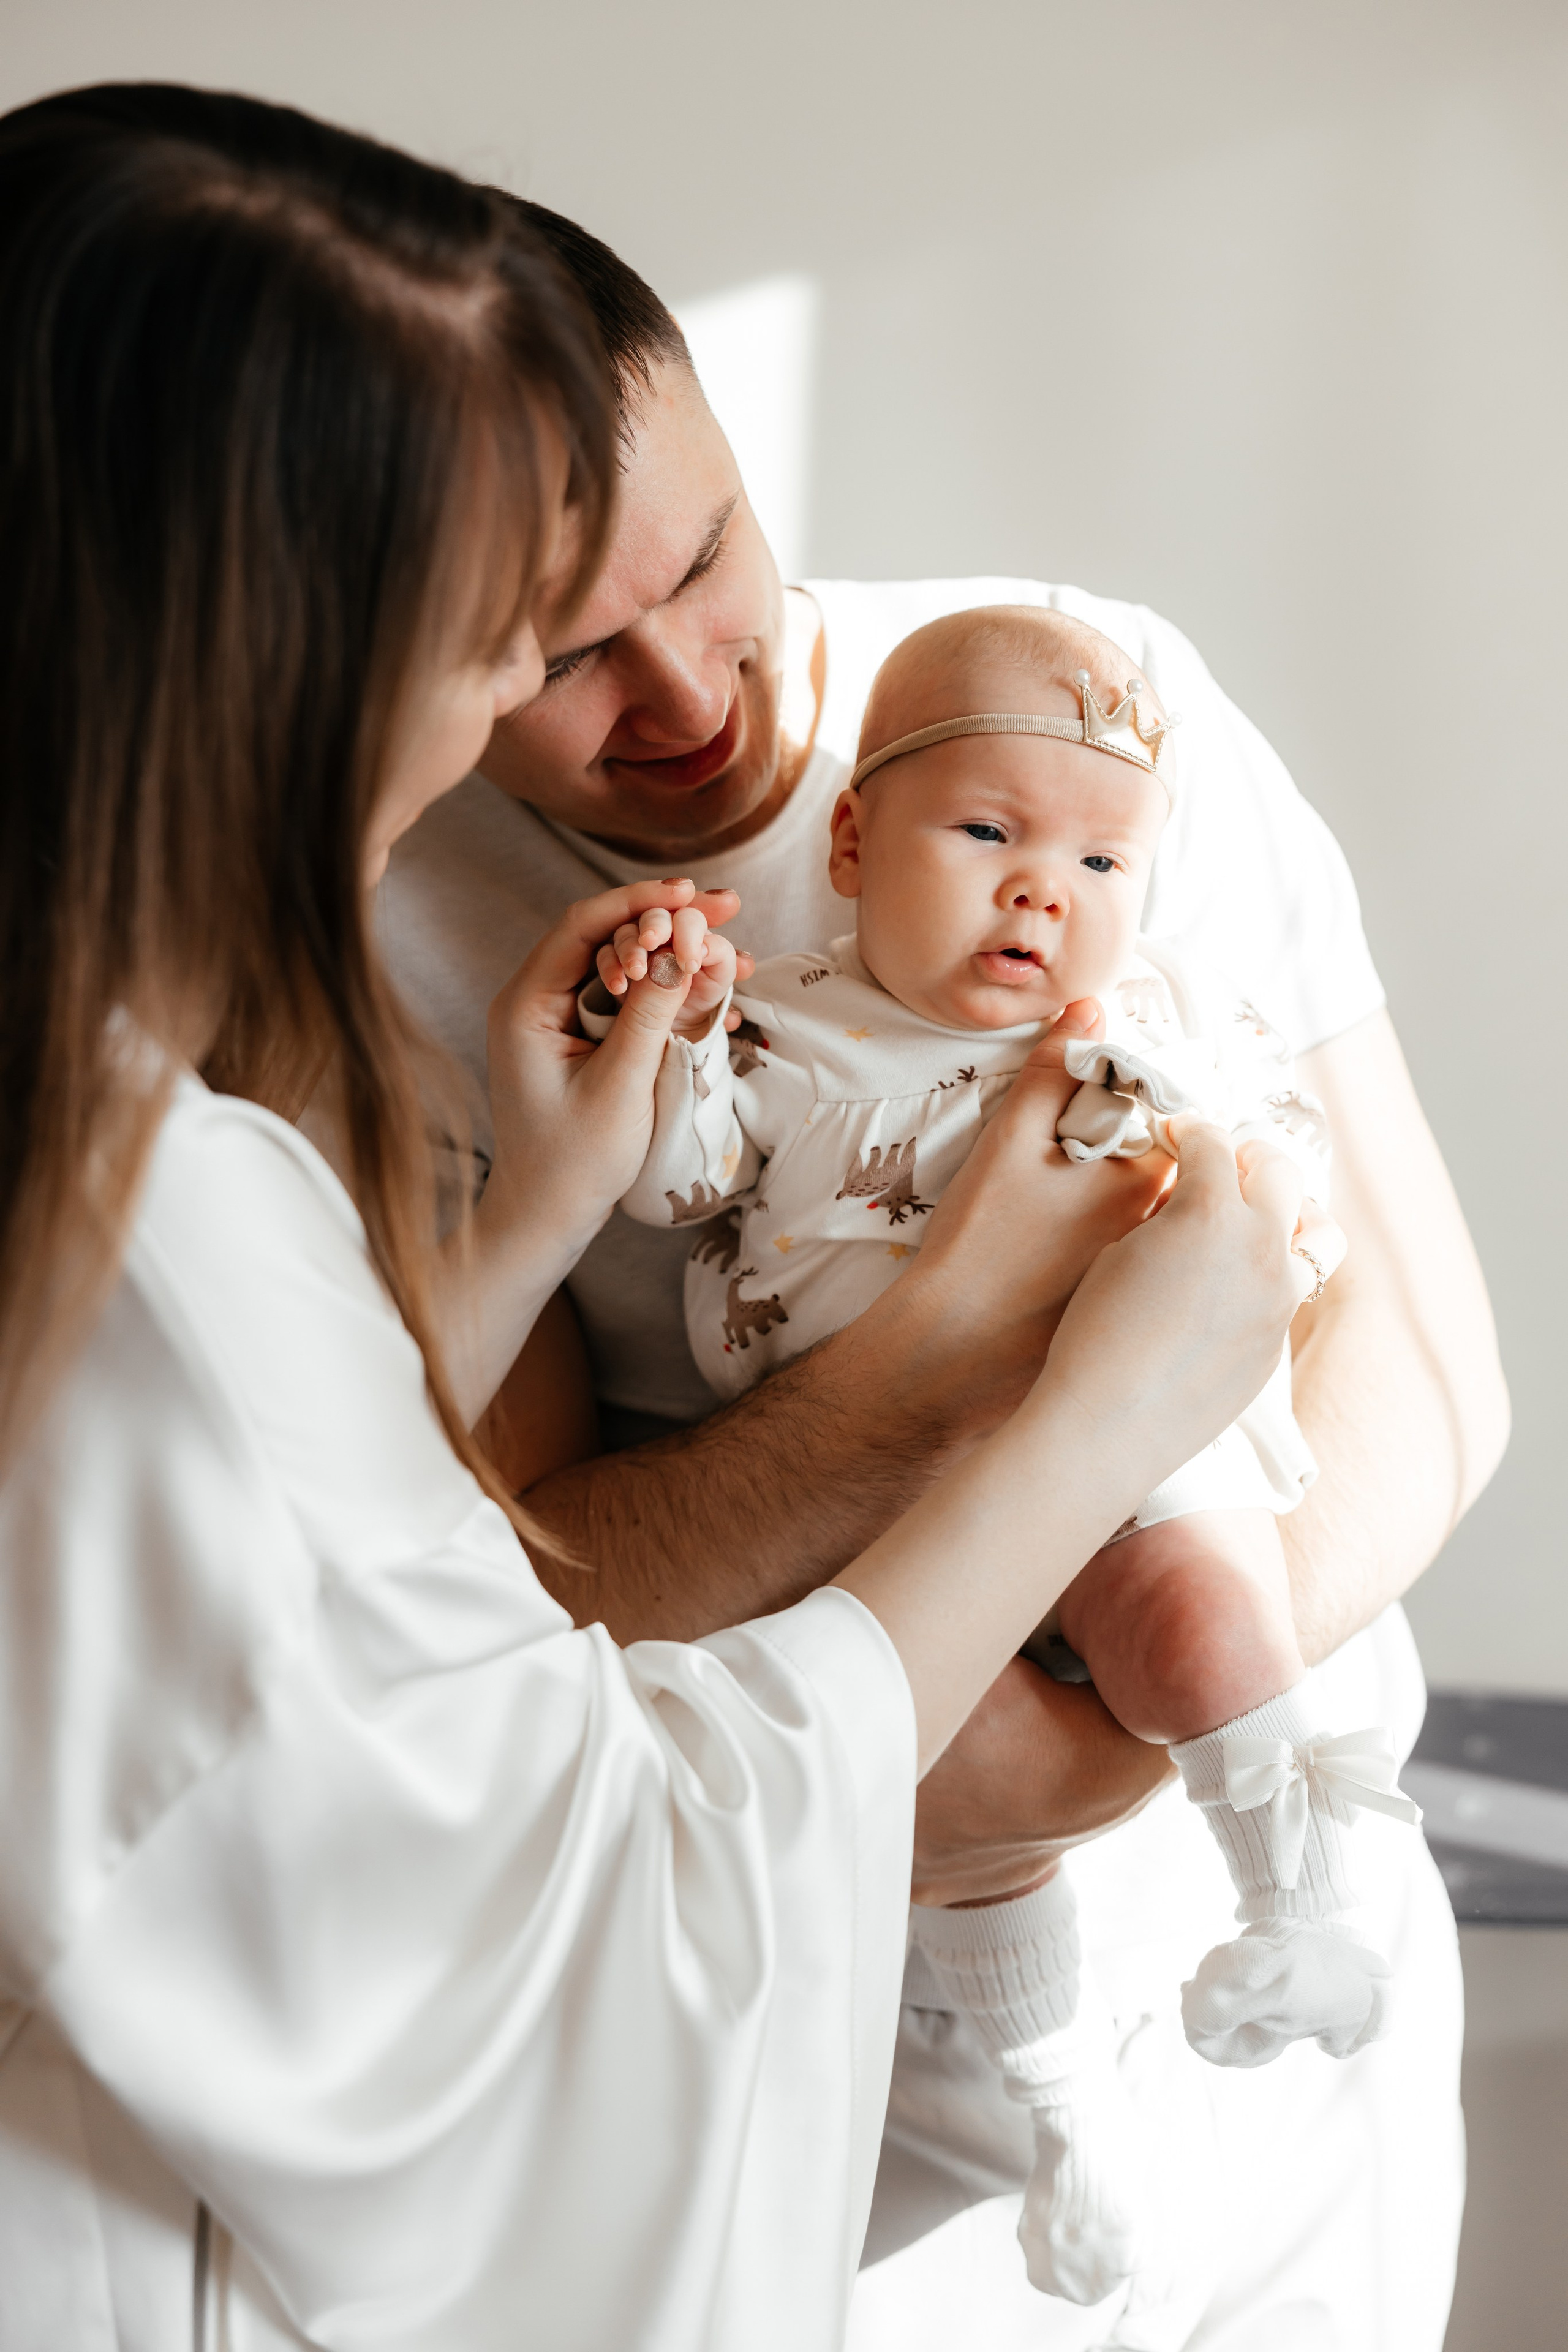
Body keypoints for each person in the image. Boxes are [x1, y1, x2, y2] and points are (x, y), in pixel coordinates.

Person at [0, 80, 1316, 2352]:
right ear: (269, 653)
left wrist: (533, 1216)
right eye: (503, 629)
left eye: (688, 562)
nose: (594, 693)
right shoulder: (144, 1214)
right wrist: (1075, 1415)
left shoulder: (1094, 708)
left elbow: (336, 1608)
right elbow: (561, 1904)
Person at [380, 202, 1508, 2348]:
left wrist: (1160, 1698)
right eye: (549, 659)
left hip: (1292, 1971)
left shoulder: (1083, 704)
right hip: (827, 2006)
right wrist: (956, 1370)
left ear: (718, 426)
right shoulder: (400, 944)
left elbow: (1433, 1373)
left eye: (702, 559)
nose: (688, 697)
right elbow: (544, 1598)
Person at [589, 598, 1421, 2311]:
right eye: (989, 834)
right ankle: (1064, 2120)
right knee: (965, 1825)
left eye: (1104, 864)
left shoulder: (1145, 1027)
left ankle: (1295, 1905)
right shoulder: (783, 1029)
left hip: (1122, 1468)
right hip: (885, 1518)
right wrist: (655, 1032)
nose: (1048, 892)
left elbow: (1289, 1220)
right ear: (855, 836)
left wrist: (1223, 1168)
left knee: (1196, 1605)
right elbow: (672, 1182)